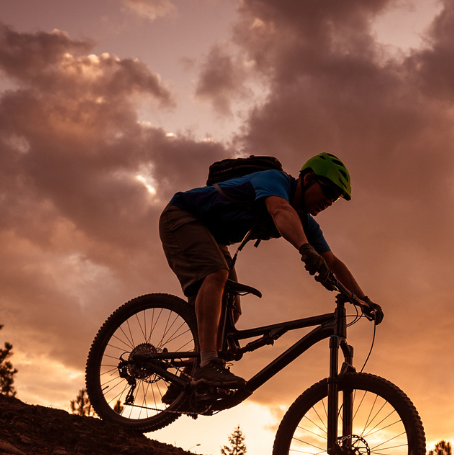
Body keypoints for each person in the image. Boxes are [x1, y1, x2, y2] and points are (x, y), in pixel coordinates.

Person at [158, 152, 380, 393]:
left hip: (211, 236)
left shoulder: (306, 223)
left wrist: (364, 300)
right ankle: (208, 364)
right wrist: (305, 248)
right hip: (182, 214)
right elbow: (280, 211)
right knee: (216, 273)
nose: (329, 201)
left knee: (231, 311)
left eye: (335, 199)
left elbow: (333, 262)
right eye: (328, 191)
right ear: (307, 179)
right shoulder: (275, 180)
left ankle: (189, 378)